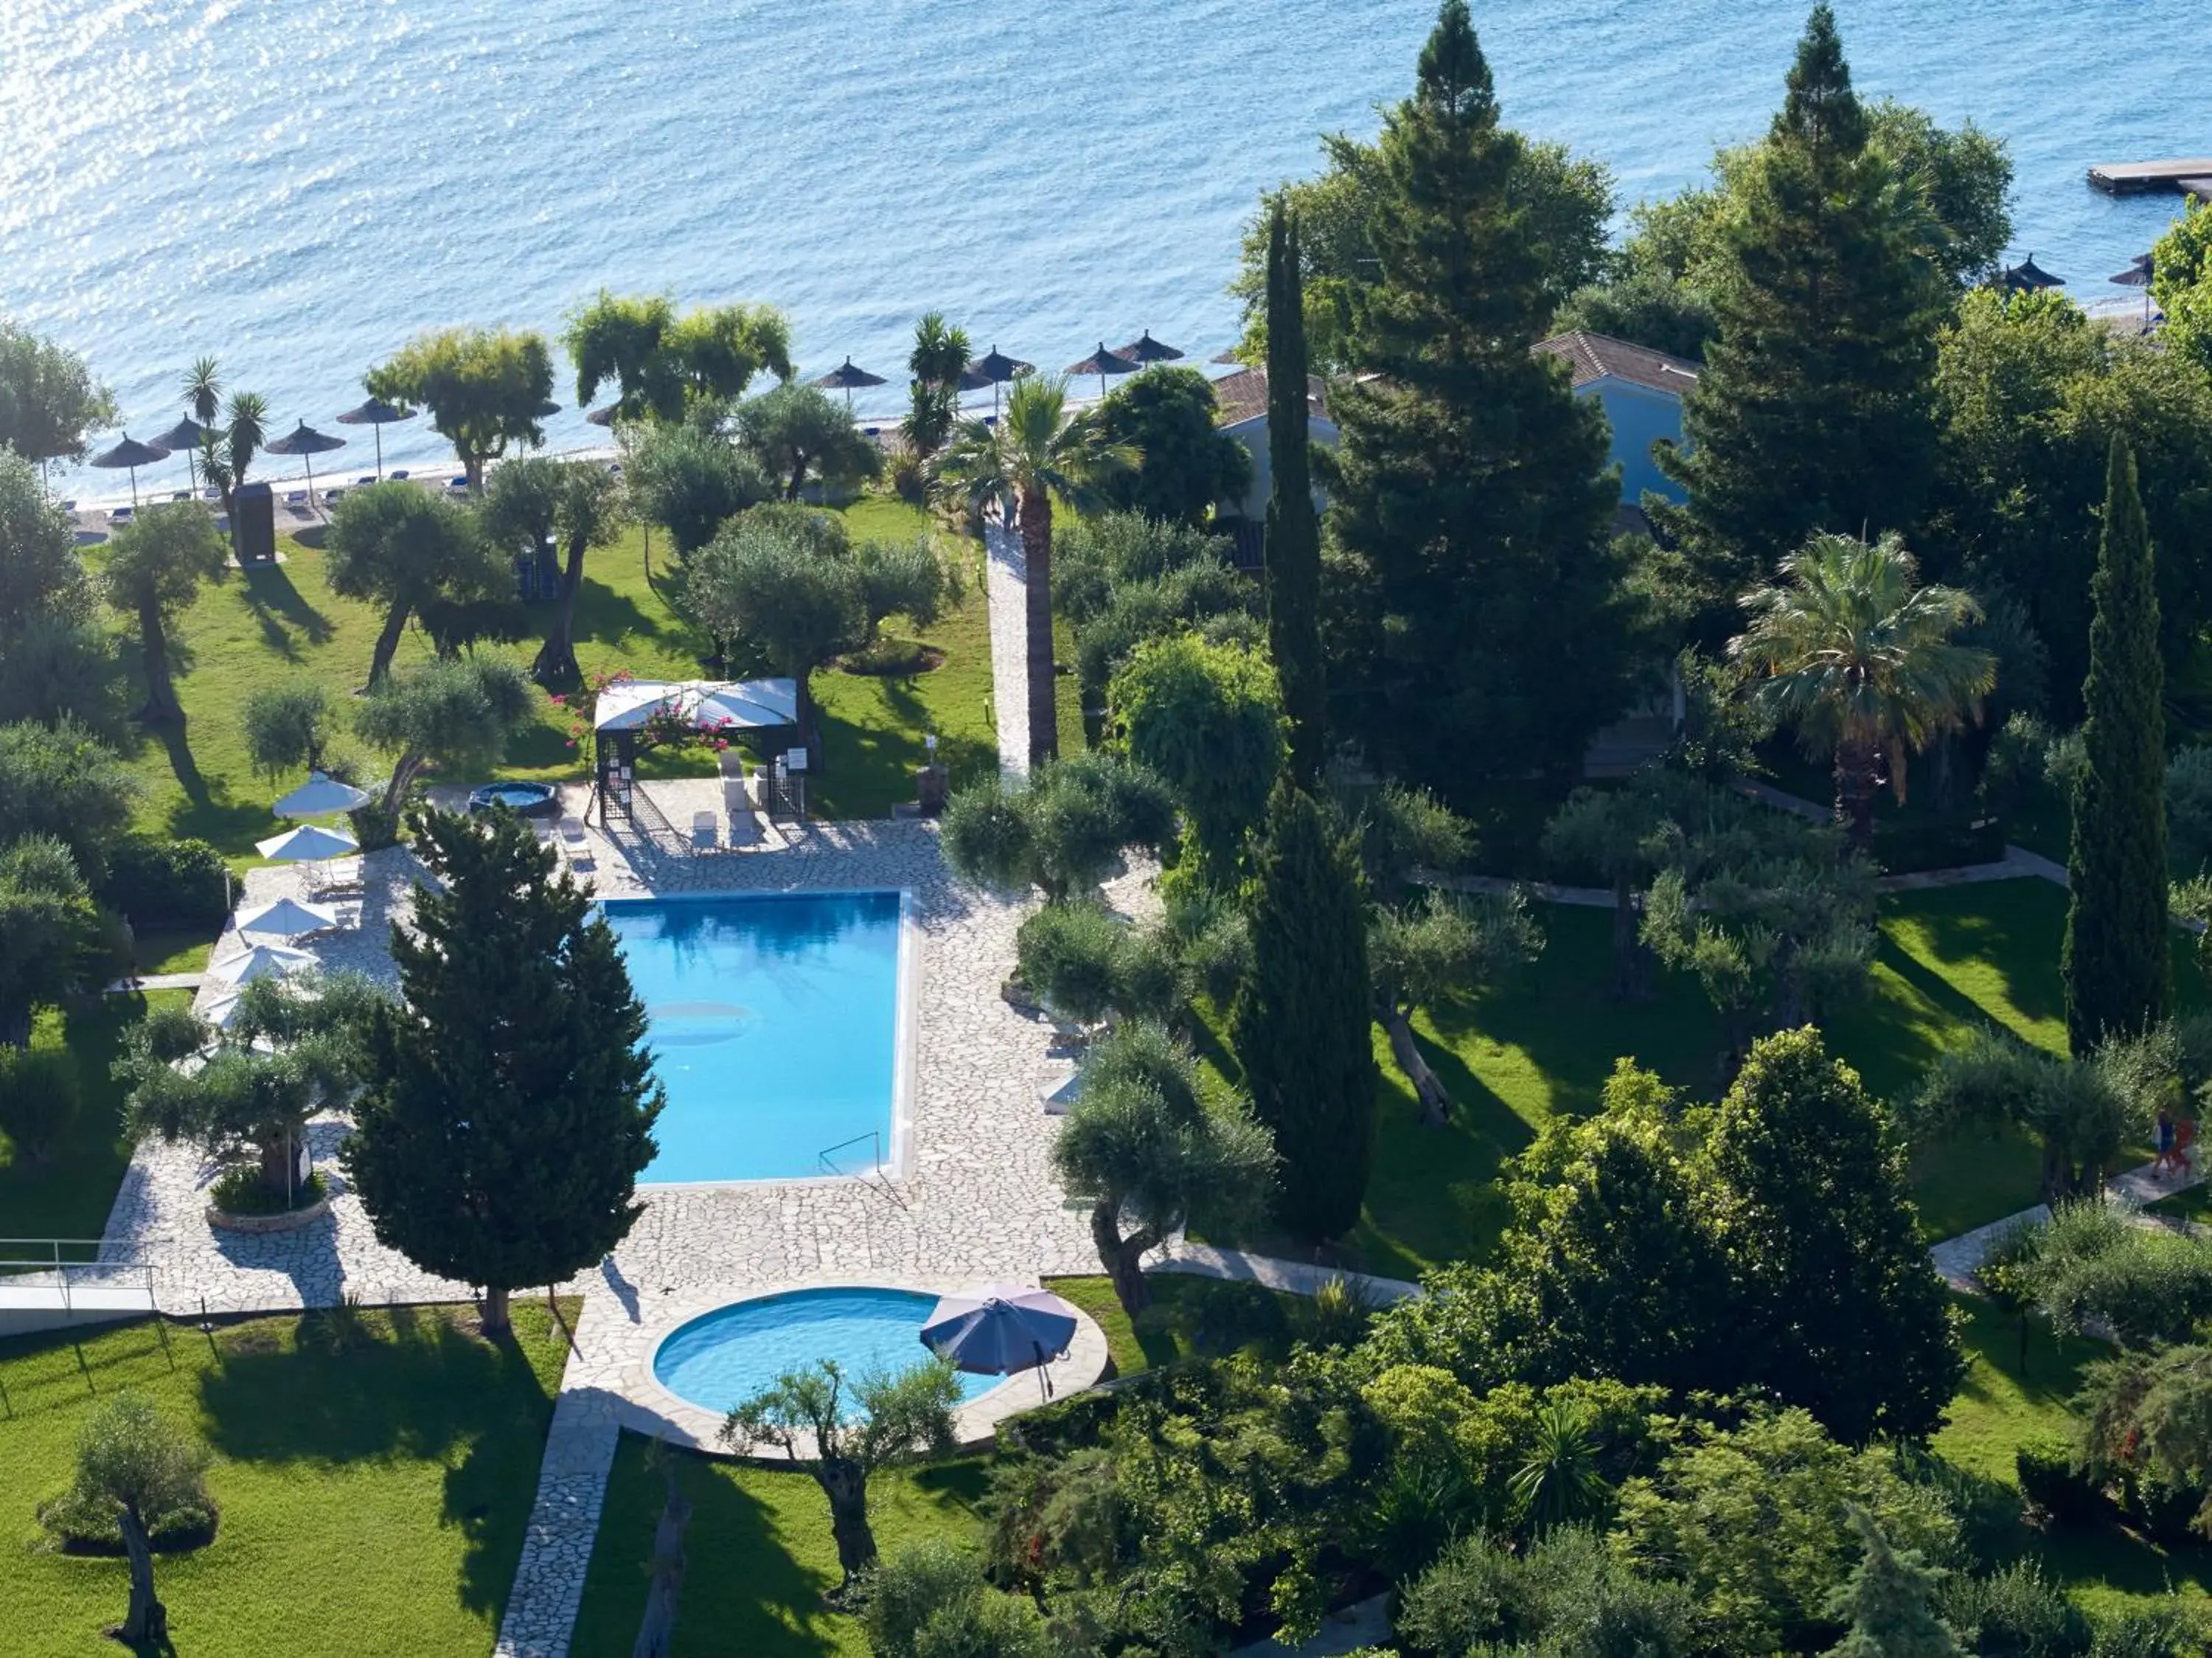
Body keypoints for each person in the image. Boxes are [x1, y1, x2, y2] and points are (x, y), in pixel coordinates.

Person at [2156, 1106, 2178, 1176]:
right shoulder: (2164, 1125)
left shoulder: (2163, 1124)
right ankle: (2154, 1172)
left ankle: (2170, 1169)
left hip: (2166, 1142)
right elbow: (2169, 1133)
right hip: (2166, 1142)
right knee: (2161, 1157)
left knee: (2167, 1156)